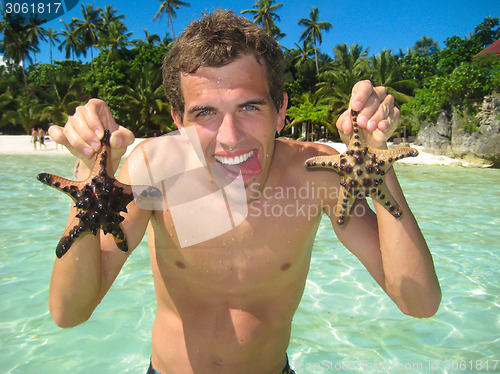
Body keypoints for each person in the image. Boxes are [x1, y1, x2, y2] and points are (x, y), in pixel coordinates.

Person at [47, 10, 441, 374]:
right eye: (205, 112)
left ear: (281, 109)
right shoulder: (155, 171)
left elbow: (418, 301)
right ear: (176, 120)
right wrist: (89, 170)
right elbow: (70, 310)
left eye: (250, 108)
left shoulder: (315, 176)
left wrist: (376, 159)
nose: (230, 138)